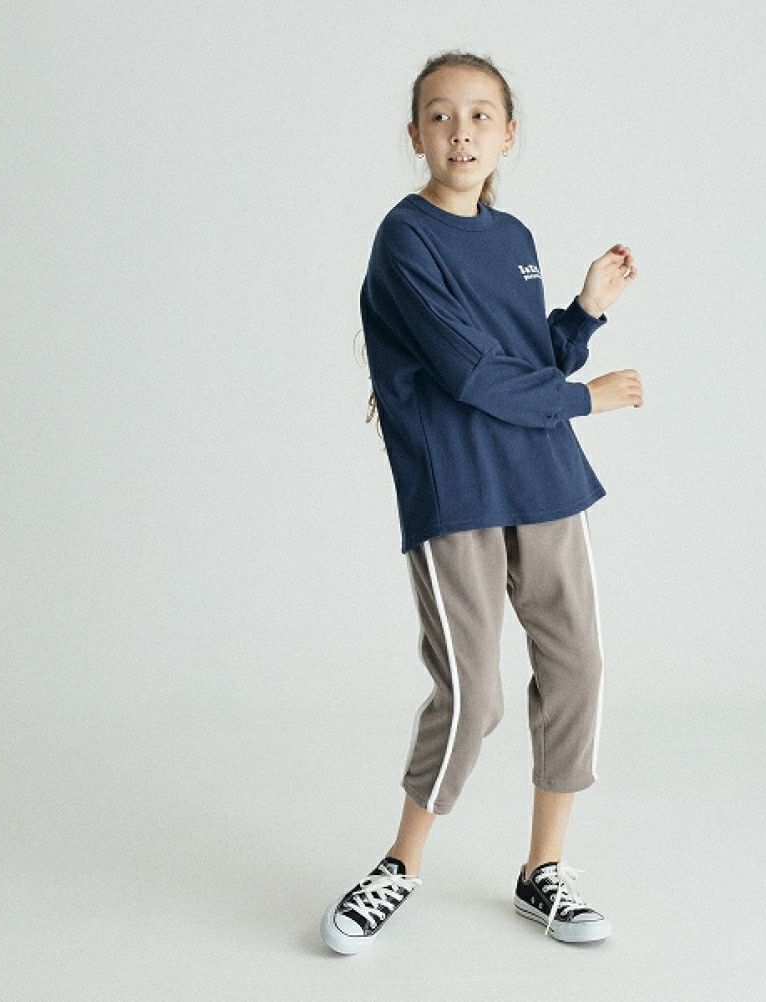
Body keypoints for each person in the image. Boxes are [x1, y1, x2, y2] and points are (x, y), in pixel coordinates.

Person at [320, 49, 642, 954]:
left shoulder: (515, 238)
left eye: (479, 116)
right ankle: (399, 865)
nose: (460, 132)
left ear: (507, 135)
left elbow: (523, 359)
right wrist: (586, 399)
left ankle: (544, 871)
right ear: (415, 135)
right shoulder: (405, 239)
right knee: (473, 694)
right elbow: (468, 372)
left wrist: (584, 312)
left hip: (543, 475)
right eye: (440, 115)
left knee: (576, 668)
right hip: (456, 482)